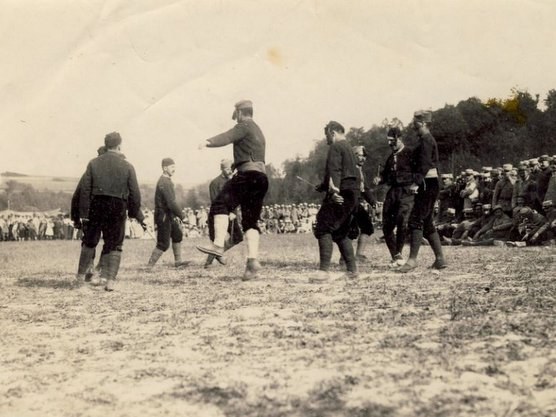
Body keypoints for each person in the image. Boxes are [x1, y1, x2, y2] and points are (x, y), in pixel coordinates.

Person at [196, 100, 268, 280]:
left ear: (240, 112)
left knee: (220, 204)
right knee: (250, 222)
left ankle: (218, 245)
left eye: (236, 114)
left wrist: (207, 142)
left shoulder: (244, 125)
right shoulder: (258, 130)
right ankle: (252, 263)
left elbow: (228, 136)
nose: (235, 118)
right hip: (261, 178)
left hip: (247, 175)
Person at [77, 132, 144, 291]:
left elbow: (85, 191)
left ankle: (80, 278)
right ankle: (109, 280)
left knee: (90, 242)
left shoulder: (93, 163)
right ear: (119, 145)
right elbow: (135, 192)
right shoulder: (128, 166)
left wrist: (84, 214)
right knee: (114, 244)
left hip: (96, 205)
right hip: (117, 207)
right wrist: (134, 212)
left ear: (106, 145)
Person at [311, 121, 360, 281]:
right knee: (340, 232)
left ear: (332, 132)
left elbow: (334, 171)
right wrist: (324, 186)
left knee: (323, 226)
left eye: (327, 135)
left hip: (340, 193)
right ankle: (352, 270)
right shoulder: (350, 149)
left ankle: (323, 271)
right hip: (352, 193)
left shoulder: (335, 147)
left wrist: (334, 191)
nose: (326, 140)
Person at [399, 110, 446, 272]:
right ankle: (440, 259)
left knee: (416, 220)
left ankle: (412, 260)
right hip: (429, 183)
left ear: (424, 123)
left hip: (426, 183)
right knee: (427, 223)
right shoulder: (425, 139)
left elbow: (425, 164)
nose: (413, 125)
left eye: (416, 122)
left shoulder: (426, 140)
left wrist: (416, 183)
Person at [374, 126, 417, 267]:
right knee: (386, 225)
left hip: (407, 191)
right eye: (388, 141)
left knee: (402, 221)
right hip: (393, 192)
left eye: (392, 140)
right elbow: (385, 176)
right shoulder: (390, 158)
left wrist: (416, 184)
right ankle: (396, 255)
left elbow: (420, 170)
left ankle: (398, 253)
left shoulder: (410, 153)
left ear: (399, 139)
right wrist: (379, 179)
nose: (389, 144)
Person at [147, 158, 190, 268]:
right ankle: (149, 266)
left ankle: (178, 262)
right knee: (163, 244)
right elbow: (171, 202)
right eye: (172, 167)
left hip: (170, 214)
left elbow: (171, 203)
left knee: (177, 235)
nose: (174, 169)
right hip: (164, 215)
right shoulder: (164, 182)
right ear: (164, 168)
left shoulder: (167, 181)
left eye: (174, 167)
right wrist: (182, 216)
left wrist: (175, 215)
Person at [204, 159, 244, 268]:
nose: (229, 171)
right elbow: (215, 201)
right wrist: (228, 212)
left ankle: (218, 253)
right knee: (218, 240)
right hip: (218, 214)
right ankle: (208, 263)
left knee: (238, 237)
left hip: (231, 214)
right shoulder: (215, 183)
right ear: (221, 169)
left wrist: (233, 212)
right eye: (226, 168)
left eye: (231, 168)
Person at [346, 145, 376, 263]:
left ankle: (359, 254)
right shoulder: (348, 170)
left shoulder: (361, 171)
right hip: (348, 204)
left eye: (365, 156)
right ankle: (345, 257)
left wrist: (373, 202)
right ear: (354, 156)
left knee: (367, 227)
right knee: (349, 230)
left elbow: (365, 190)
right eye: (360, 155)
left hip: (356, 204)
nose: (363, 158)